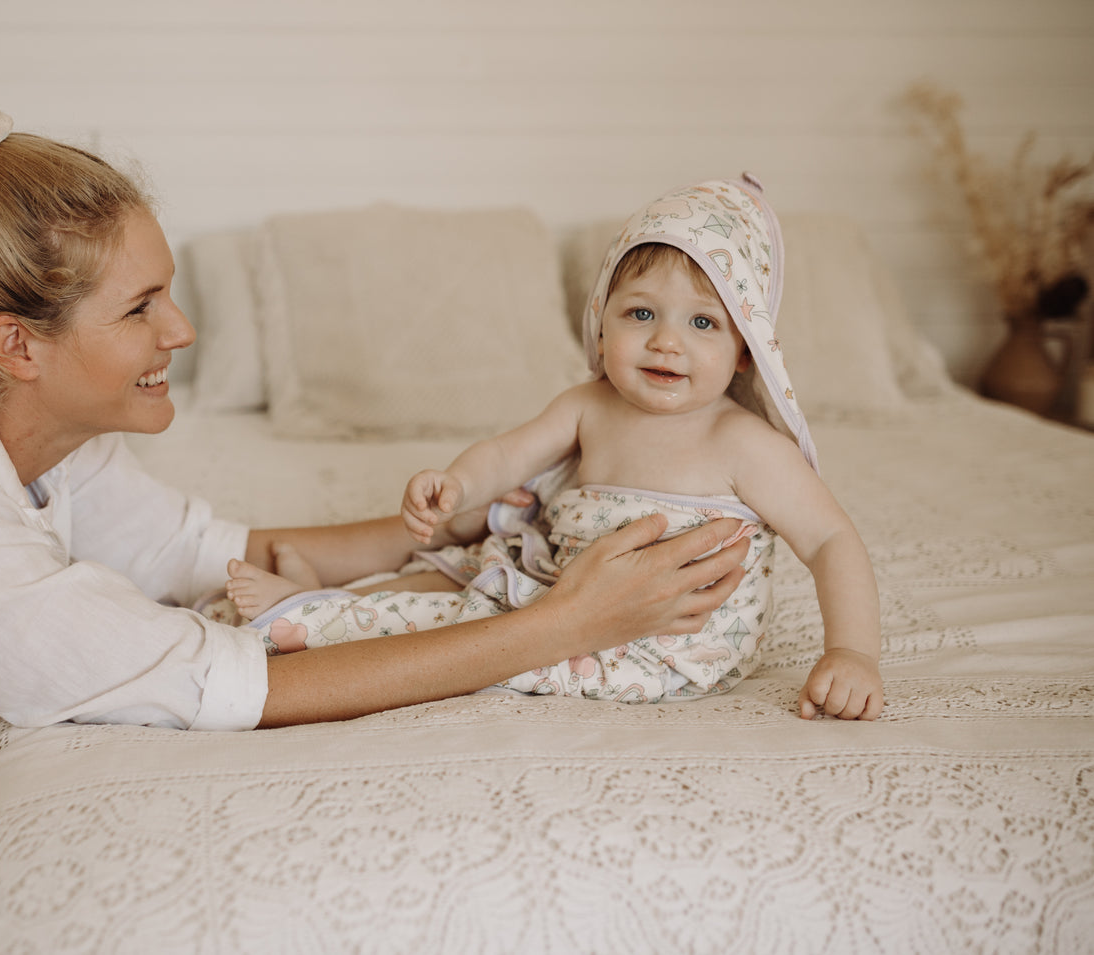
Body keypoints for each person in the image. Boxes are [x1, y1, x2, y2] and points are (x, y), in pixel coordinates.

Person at [0, 79, 750, 954]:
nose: (179, 330)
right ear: (16, 345)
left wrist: (457, 528)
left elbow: (223, 554)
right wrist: (562, 624)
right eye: (140, 308)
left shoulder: (45, 441)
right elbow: (239, 686)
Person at [225, 177, 883, 720]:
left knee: (452, 623)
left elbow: (831, 540)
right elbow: (507, 456)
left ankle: (306, 617)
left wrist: (852, 651)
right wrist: (457, 484)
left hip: (653, 644)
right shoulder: (589, 406)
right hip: (555, 587)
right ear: (601, 322)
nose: (666, 341)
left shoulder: (744, 444)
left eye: (703, 322)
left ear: (745, 351)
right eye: (641, 313)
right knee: (455, 574)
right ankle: (322, 598)